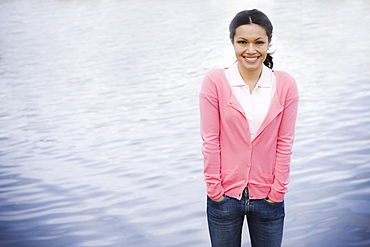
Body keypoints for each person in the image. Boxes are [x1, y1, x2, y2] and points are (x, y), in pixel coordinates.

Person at [199, 9, 299, 247]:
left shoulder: (285, 84)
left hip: (269, 198)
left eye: (259, 42)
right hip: (224, 198)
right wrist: (215, 190)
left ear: (269, 42)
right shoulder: (215, 82)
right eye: (242, 42)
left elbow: (285, 142)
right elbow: (210, 141)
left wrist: (278, 192)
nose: (251, 50)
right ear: (232, 41)